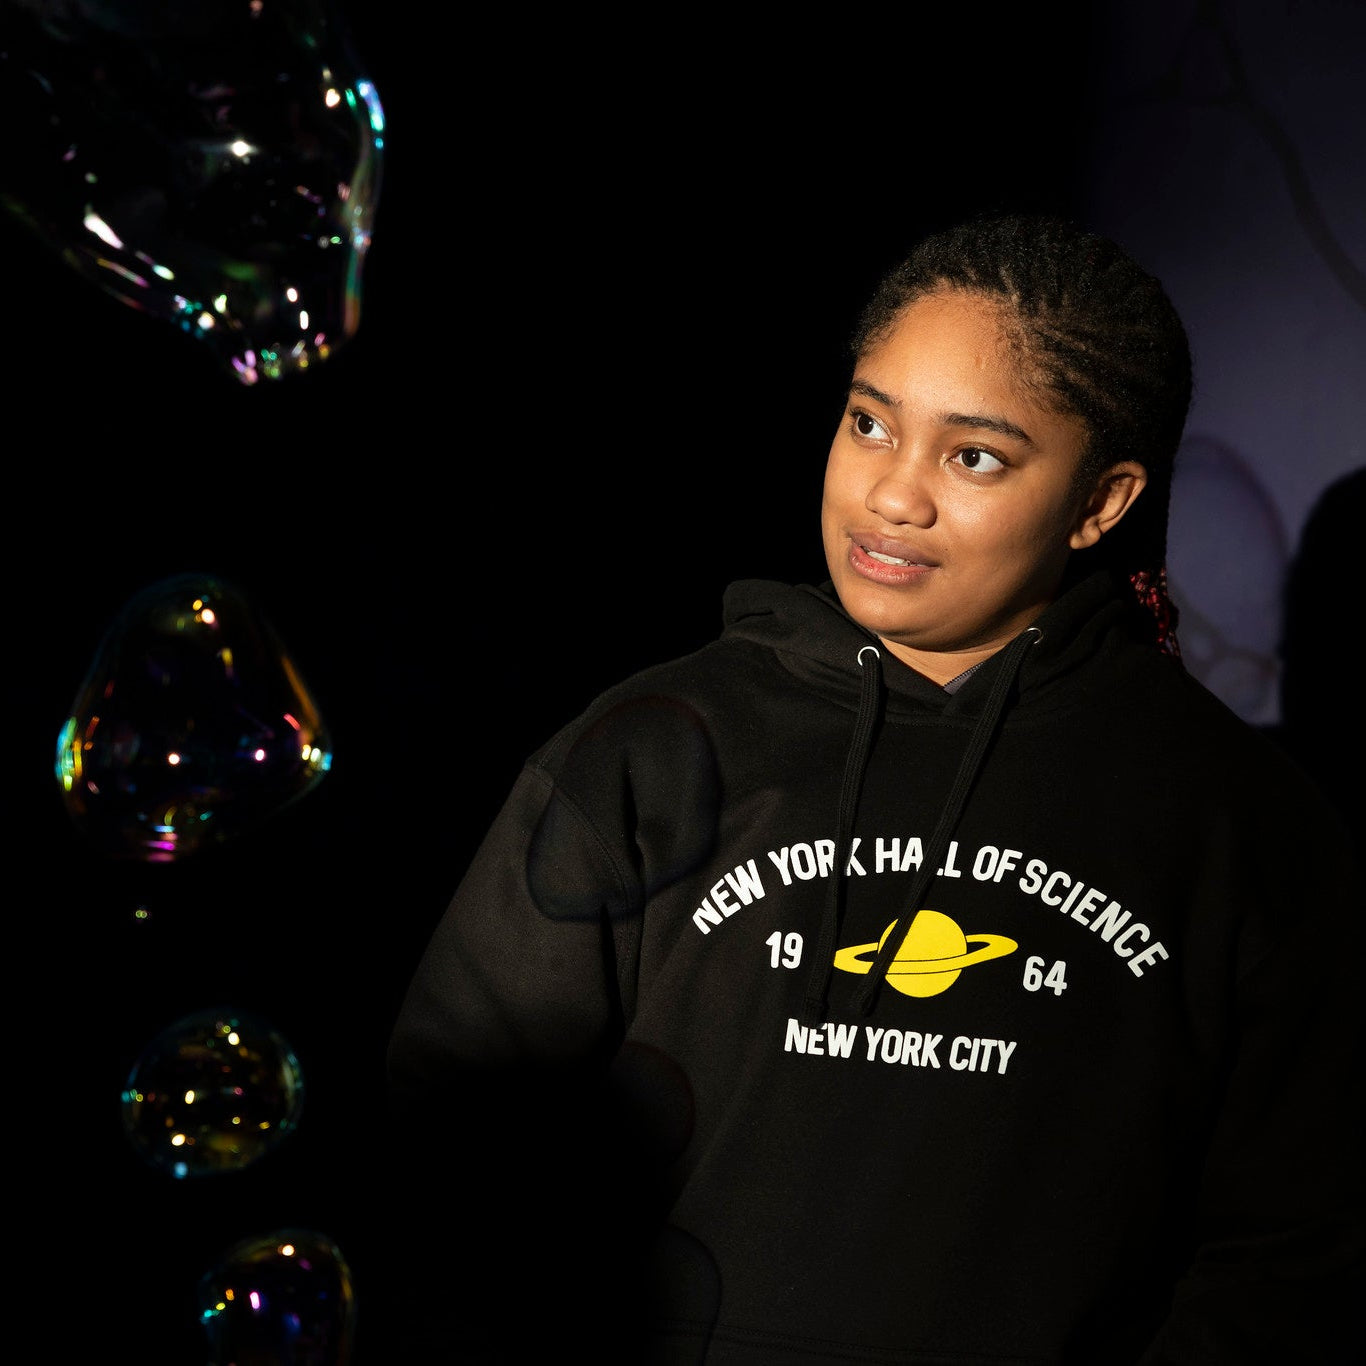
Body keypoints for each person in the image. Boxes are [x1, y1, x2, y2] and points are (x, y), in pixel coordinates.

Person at [382, 214, 1366, 1364]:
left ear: (1100, 503)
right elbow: (453, 1145)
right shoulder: (648, 748)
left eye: (974, 456)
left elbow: (1297, 1250)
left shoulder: (1235, 821)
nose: (892, 497)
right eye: (868, 424)